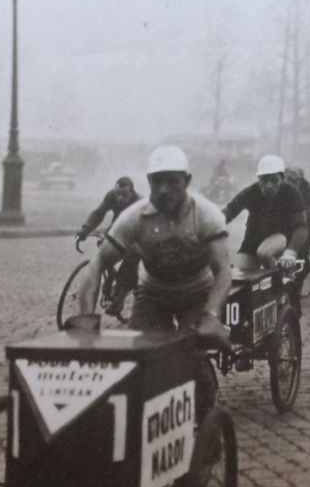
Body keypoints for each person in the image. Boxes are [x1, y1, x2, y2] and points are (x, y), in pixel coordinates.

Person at [72, 145, 232, 347]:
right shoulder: (134, 216)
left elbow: (223, 270)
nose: (164, 190)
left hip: (197, 293)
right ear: (148, 181)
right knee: (140, 354)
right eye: (157, 182)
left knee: (192, 356)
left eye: (173, 181)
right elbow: (99, 263)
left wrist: (211, 314)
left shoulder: (207, 214)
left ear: (187, 181)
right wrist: (86, 318)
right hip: (153, 293)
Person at [222, 154, 309, 271]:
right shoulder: (251, 192)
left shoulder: (291, 192)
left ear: (282, 179)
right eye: (264, 180)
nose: (269, 185)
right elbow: (228, 212)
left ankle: (278, 282)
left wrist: (291, 251)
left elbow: (301, 226)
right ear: (258, 179)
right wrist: (205, 229)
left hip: (280, 236)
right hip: (252, 240)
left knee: (264, 253)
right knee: (239, 275)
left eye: (274, 180)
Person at [76, 176, 143, 315]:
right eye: (117, 193)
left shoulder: (138, 203)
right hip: (116, 231)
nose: (119, 198)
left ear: (132, 192)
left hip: (135, 235)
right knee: (104, 258)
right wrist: (85, 230)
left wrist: (108, 233)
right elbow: (99, 213)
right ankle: (101, 289)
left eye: (124, 194)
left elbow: (125, 224)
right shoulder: (111, 196)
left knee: (130, 261)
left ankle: (119, 302)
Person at [284, 164, 310, 235]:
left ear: (300, 179)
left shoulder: (309, 190)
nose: (291, 183)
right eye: (288, 180)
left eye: (293, 181)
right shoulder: (286, 188)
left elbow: (309, 211)